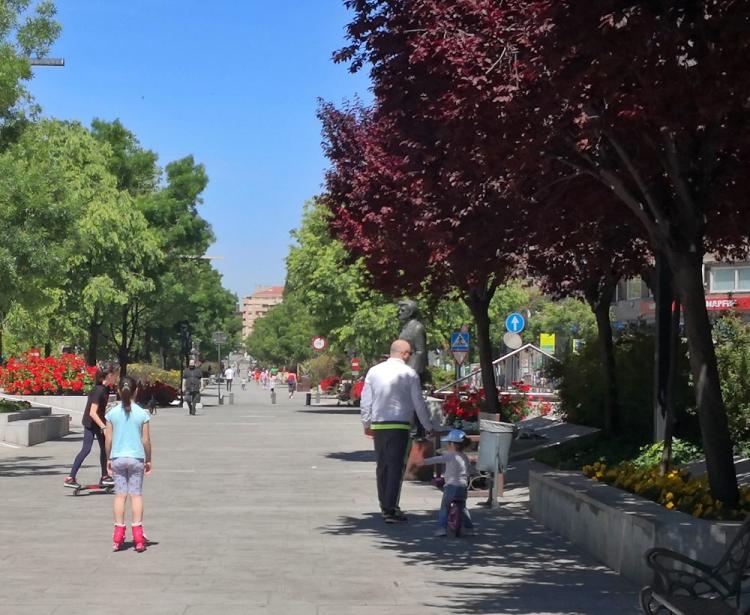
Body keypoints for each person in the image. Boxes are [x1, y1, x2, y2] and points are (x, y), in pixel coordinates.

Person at [360, 339, 434, 523]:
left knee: (383, 465)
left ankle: (385, 503)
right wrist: (428, 426)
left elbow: (365, 400)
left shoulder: (374, 371)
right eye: (409, 353)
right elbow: (418, 402)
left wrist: (366, 423)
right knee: (396, 466)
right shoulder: (409, 374)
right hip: (400, 425)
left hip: (379, 425)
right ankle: (391, 509)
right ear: (404, 354)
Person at [105, 376, 152, 552]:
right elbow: (146, 441)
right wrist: (149, 460)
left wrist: (108, 458)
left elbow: (108, 439)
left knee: (120, 496)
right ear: (136, 391)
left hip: (117, 457)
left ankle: (118, 536)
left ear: (118, 391)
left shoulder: (111, 413)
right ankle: (139, 536)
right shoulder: (142, 413)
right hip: (136, 458)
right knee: (136, 495)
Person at [64, 364, 118, 489]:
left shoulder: (105, 389)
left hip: (97, 423)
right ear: (109, 375)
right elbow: (92, 413)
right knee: (86, 449)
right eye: (115, 375)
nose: (116, 378)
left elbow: (100, 411)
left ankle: (105, 476)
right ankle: (70, 478)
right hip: (90, 423)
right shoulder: (98, 390)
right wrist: (103, 427)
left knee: (105, 448)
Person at [419, 429, 475, 537]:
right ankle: (469, 529)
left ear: (452, 444)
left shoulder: (451, 456)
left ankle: (441, 529)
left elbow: (437, 459)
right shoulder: (465, 457)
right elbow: (469, 471)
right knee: (463, 508)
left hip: (451, 486)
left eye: (448, 443)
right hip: (463, 486)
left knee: (445, 507)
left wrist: (424, 461)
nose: (447, 446)